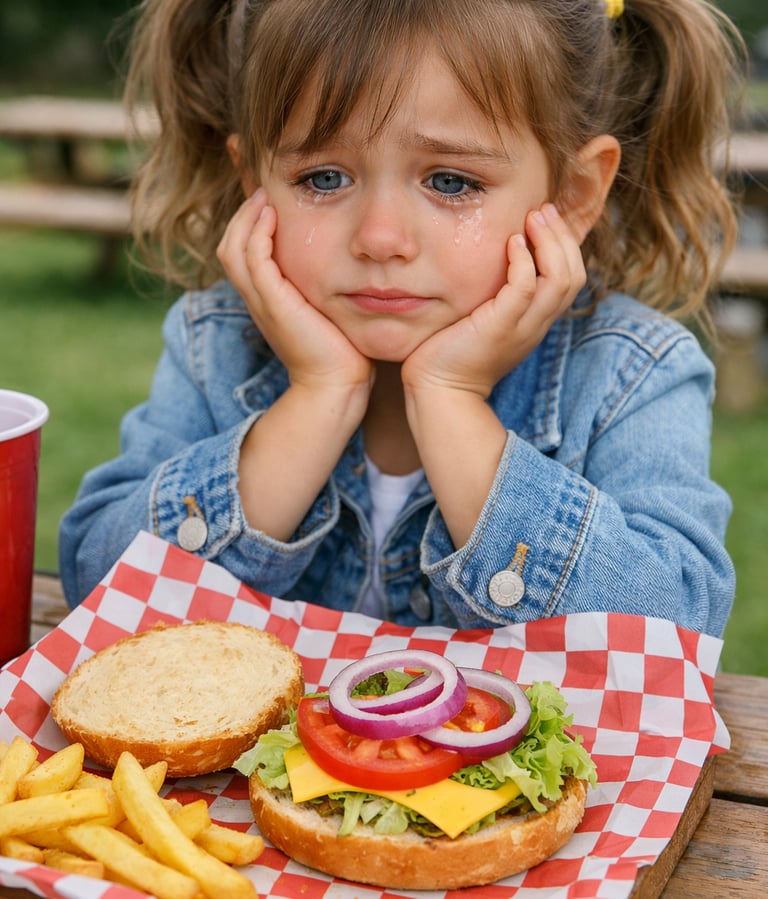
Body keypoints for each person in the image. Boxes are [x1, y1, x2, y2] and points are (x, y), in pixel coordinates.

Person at [59, 0, 744, 637]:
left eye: (451, 182)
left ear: (571, 195)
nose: (381, 237)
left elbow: (675, 633)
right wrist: (317, 396)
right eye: (323, 178)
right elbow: (98, 590)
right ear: (255, 183)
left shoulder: (632, 371)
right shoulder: (216, 345)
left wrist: (448, 400)